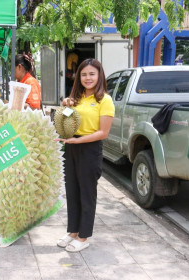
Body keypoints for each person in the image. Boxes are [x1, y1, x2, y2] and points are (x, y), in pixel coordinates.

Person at [55, 58, 115, 252]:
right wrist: (65, 104)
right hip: (71, 147)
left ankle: (83, 236)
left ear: (99, 76)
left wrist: (78, 141)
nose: (87, 78)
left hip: (89, 149)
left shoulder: (104, 100)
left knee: (86, 194)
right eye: (83, 74)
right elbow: (66, 119)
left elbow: (103, 133)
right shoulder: (77, 98)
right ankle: (72, 231)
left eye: (92, 74)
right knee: (72, 191)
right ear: (78, 77)